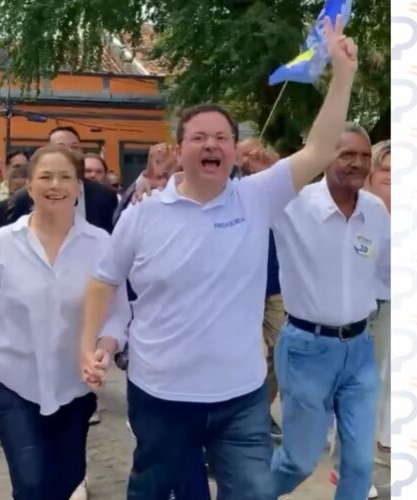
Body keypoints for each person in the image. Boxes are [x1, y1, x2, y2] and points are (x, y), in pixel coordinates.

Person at [81, 16, 358, 499]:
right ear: (180, 149)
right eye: (199, 137)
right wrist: (89, 344)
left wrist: (344, 75)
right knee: (152, 490)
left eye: (222, 138)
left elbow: (319, 149)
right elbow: (103, 280)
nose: (212, 144)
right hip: (161, 394)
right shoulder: (143, 215)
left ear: (234, 149)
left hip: (241, 397)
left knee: (251, 491)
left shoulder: (256, 197)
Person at [0, 145, 130, 500]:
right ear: (29, 185)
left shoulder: (100, 244)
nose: (55, 185)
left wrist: (104, 348)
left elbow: (117, 314)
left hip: (74, 383)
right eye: (45, 176)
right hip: (10, 378)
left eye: (65, 177)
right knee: (31, 483)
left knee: (68, 479)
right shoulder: (4, 244)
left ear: (78, 187)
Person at [269, 125, 390, 500]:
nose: (357, 163)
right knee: (299, 461)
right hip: (307, 349)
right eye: (346, 154)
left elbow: (386, 271)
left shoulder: (375, 210)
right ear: (324, 158)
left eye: (364, 156)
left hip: (360, 350)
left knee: (357, 464)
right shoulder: (293, 203)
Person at [0, 128, 120, 250]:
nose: (69, 152)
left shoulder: (105, 196)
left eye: (74, 147)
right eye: (61, 146)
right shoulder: (22, 199)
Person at [237, 139, 286, 440]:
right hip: (240, 287)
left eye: (256, 150)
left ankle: (260, 410)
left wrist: (276, 169)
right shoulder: (228, 190)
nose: (252, 156)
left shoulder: (278, 188)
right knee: (245, 354)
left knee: (282, 352)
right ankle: (243, 417)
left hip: (276, 284)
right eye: (245, 152)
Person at [366, 140, 391, 453]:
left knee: (380, 374)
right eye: (385, 170)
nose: (392, 176)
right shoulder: (362, 209)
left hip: (390, 301)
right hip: (359, 305)